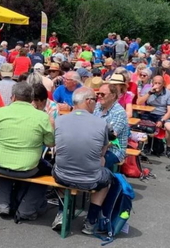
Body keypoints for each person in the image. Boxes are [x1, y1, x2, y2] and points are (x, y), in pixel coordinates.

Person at [0, 82, 54, 221]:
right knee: (47, 170)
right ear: (31, 98)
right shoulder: (42, 117)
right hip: (28, 166)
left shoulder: (0, 112)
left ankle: (3, 204)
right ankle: (26, 209)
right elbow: (50, 143)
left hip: (0, 162)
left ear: (13, 97)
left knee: (6, 167)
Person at [52, 87, 113, 235]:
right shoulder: (101, 123)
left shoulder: (59, 120)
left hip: (62, 175)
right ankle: (91, 220)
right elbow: (102, 153)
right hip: (90, 178)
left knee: (56, 167)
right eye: (95, 100)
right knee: (107, 177)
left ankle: (62, 212)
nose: (97, 103)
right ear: (88, 101)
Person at [137, 75, 170, 159]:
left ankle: (169, 148)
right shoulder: (148, 90)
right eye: (155, 83)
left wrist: (162, 120)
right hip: (149, 114)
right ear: (152, 83)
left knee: (169, 127)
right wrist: (149, 93)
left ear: (163, 84)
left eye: (159, 83)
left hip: (162, 115)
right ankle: (146, 146)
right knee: (140, 126)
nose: (157, 85)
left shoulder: (168, 93)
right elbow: (139, 102)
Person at [93, 83, 130, 167]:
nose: (99, 96)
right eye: (98, 94)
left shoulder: (119, 112)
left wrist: (93, 148)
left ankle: (102, 179)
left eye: (103, 94)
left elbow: (112, 138)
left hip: (113, 150)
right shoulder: (97, 106)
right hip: (97, 146)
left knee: (96, 162)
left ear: (113, 96)